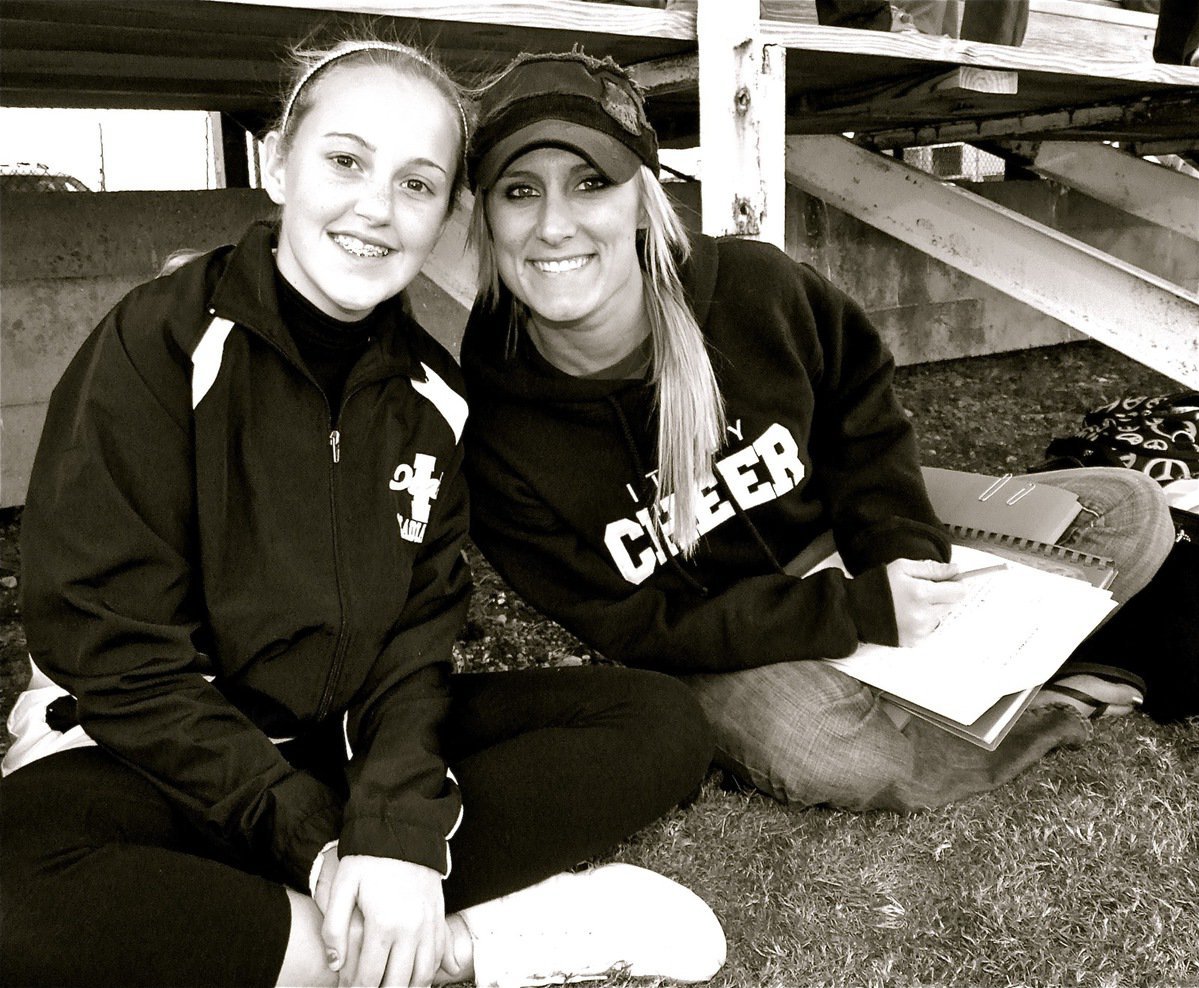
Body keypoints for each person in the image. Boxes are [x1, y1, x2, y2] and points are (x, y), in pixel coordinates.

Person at [0, 38, 726, 988]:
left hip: (343, 747)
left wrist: (393, 823)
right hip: (162, 755)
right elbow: (115, 654)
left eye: (418, 184)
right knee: (16, 882)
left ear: (446, 217)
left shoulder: (435, 396)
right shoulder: (156, 343)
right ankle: (460, 947)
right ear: (277, 164)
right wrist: (323, 843)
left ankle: (326, 925)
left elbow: (415, 643)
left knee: (658, 720)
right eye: (346, 161)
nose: (376, 208)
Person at [458, 50, 1176, 814]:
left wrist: (904, 563)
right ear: (488, 216)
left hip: (857, 556)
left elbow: (862, 424)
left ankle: (952, 679)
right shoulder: (496, 431)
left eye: (590, 183)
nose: (554, 224)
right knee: (822, 748)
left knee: (1135, 512)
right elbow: (642, 628)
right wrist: (854, 613)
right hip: (733, 644)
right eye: (520, 191)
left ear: (642, 196)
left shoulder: (753, 289)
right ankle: (1036, 703)